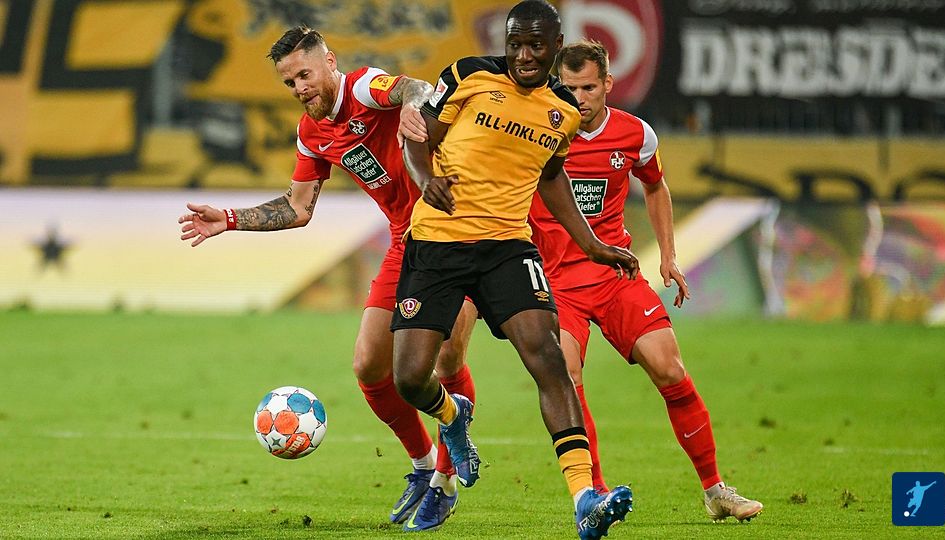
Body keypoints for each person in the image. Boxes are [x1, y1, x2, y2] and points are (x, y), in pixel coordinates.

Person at [176, 26, 480, 526]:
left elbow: (416, 87)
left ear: (330, 62)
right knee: (369, 366)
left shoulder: (364, 88)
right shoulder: (311, 132)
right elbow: (298, 208)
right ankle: (424, 464)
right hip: (406, 240)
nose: (300, 88)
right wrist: (228, 219)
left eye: (305, 74)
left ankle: (445, 483)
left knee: (446, 358)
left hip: (458, 230)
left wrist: (412, 105)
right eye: (290, 82)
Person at [394, 1, 637, 537]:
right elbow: (417, 135)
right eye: (516, 44)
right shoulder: (467, 75)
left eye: (536, 45)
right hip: (438, 242)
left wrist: (592, 243)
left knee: (549, 359)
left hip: (507, 248)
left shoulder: (563, 111)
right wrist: (424, 179)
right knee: (409, 379)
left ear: (555, 46)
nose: (524, 55)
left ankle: (584, 498)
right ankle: (453, 416)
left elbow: (551, 176)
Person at [527, 39, 764, 522]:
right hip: (555, 284)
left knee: (669, 368)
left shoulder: (635, 134)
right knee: (566, 376)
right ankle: (594, 496)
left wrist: (669, 255)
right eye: (569, 88)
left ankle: (716, 490)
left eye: (588, 87)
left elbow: (655, 186)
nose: (578, 98)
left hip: (615, 274)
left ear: (607, 84)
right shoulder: (535, 133)